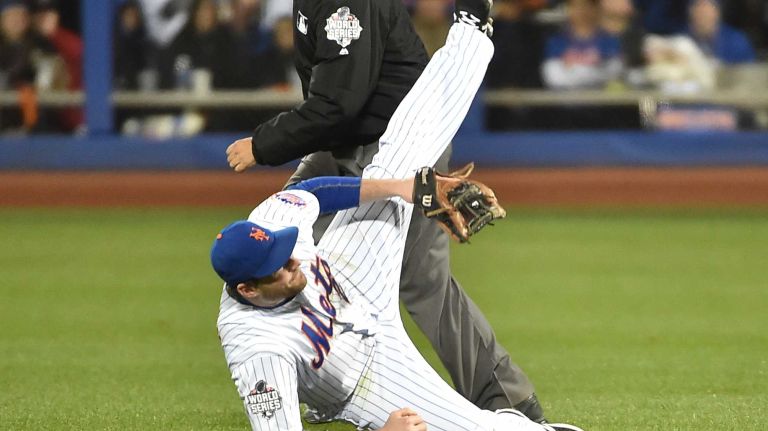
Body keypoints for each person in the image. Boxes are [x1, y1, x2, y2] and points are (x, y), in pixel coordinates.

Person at [211, 15, 581, 431]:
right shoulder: (259, 351)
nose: (292, 261)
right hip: (369, 378)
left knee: (405, 151)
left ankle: (472, 26)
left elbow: (315, 194)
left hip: (352, 274)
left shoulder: (270, 223)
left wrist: (408, 188)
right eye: (278, 267)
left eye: (283, 251)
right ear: (247, 289)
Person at [542, 0, 623, 89]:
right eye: (575, 6)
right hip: (565, 100)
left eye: (586, 6)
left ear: (596, 9)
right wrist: (593, 70)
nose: (581, 11)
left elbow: (615, 72)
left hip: (600, 100)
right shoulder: (557, 41)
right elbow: (554, 78)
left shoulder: (609, 40)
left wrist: (573, 70)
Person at [686, 0, 756, 65]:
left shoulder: (737, 42)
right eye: (698, 6)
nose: (703, 13)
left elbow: (749, 72)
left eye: (707, 7)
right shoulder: (681, 42)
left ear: (717, 11)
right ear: (690, 12)